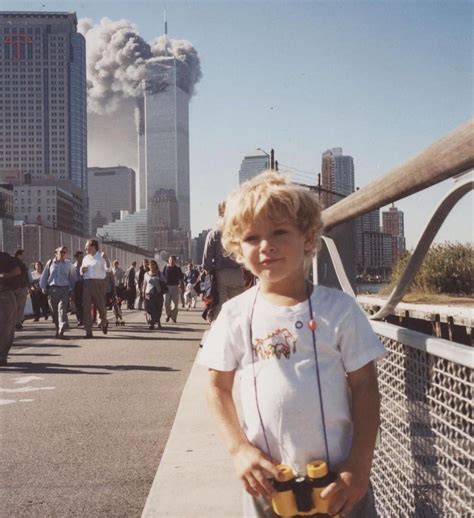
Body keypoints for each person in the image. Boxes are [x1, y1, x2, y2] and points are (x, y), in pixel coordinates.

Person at [199, 172, 386, 518]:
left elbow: (365, 387)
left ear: (309, 236)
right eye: (252, 238)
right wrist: (238, 449)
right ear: (239, 251)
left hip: (339, 481)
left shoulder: (340, 310)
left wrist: (359, 466)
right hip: (270, 483)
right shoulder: (236, 314)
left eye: (279, 232)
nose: (266, 246)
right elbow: (217, 386)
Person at [202, 202, 245, 320]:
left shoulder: (214, 233)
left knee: (219, 306)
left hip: (220, 274)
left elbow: (206, 259)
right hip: (237, 273)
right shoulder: (238, 231)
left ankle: (217, 332)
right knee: (239, 307)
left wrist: (209, 270)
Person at [39, 246, 76, 339]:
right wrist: (43, 287)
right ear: (56, 253)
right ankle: (57, 327)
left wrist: (72, 289)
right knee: (54, 311)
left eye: (65, 252)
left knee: (62, 309)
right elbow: (44, 276)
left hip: (64, 289)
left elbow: (73, 278)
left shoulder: (69, 264)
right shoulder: (50, 263)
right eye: (61, 252)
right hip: (52, 290)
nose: (63, 254)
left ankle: (61, 329)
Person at [81, 239, 111, 339]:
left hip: (99, 284)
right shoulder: (85, 258)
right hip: (87, 283)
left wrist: (106, 260)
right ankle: (88, 331)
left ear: (93, 246)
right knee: (86, 308)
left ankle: (104, 322)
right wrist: (82, 270)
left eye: (87, 246)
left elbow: (108, 269)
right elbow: (82, 271)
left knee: (101, 308)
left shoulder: (101, 256)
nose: (85, 248)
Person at [0, 251, 21, 365]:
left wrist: (4, 275)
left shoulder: (4, 257)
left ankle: (2, 355)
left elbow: (17, 271)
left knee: (6, 326)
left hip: (5, 292)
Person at [143, 259, 167, 329]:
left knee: (158, 308)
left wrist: (160, 280)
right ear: (148, 266)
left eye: (153, 265)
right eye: (150, 265)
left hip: (158, 293)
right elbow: (144, 284)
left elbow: (165, 281)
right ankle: (152, 323)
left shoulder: (160, 273)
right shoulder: (146, 274)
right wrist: (143, 293)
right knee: (150, 309)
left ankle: (158, 321)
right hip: (149, 294)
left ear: (156, 266)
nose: (152, 266)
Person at [163, 255, 184, 323]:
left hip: (175, 287)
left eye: (173, 260)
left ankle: (173, 317)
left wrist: (181, 286)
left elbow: (181, 278)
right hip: (166, 288)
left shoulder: (178, 269)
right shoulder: (165, 268)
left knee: (175, 304)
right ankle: (168, 315)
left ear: (175, 261)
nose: (171, 261)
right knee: (166, 303)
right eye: (170, 260)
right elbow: (162, 277)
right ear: (168, 261)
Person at [13, 249, 29, 329]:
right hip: (19, 287)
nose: (25, 256)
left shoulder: (12, 262)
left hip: (16, 287)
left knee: (16, 306)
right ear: (19, 255)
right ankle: (17, 322)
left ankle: (16, 321)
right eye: (23, 255)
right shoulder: (18, 263)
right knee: (19, 306)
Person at [72, 251, 84, 326]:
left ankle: (85, 318)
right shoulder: (73, 267)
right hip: (76, 286)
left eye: (82, 257)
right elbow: (72, 279)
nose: (81, 258)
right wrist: (72, 290)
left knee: (85, 303)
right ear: (76, 258)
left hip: (84, 285)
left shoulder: (85, 266)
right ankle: (79, 319)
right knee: (77, 304)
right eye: (80, 257)